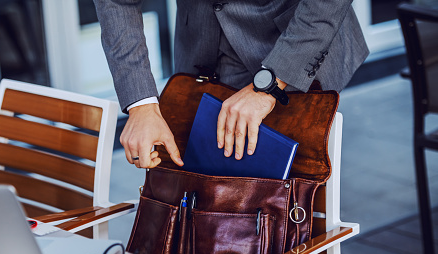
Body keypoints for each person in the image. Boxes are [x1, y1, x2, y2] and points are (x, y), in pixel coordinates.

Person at [93, 0, 369, 169]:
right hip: (200, 48)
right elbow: (117, 2)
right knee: (202, 193)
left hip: (292, 42)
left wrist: (272, 82)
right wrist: (141, 104)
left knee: (296, 202)